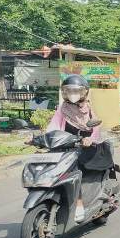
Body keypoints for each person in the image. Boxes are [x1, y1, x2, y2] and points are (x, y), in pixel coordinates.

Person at [47, 74, 100, 222]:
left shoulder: (88, 110)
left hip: (86, 147)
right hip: (65, 146)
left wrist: (91, 139)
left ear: (84, 92)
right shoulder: (62, 109)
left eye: (76, 91)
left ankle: (79, 204)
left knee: (74, 170)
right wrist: (43, 138)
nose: (73, 94)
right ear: (65, 92)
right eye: (69, 91)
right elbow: (53, 125)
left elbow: (96, 129)